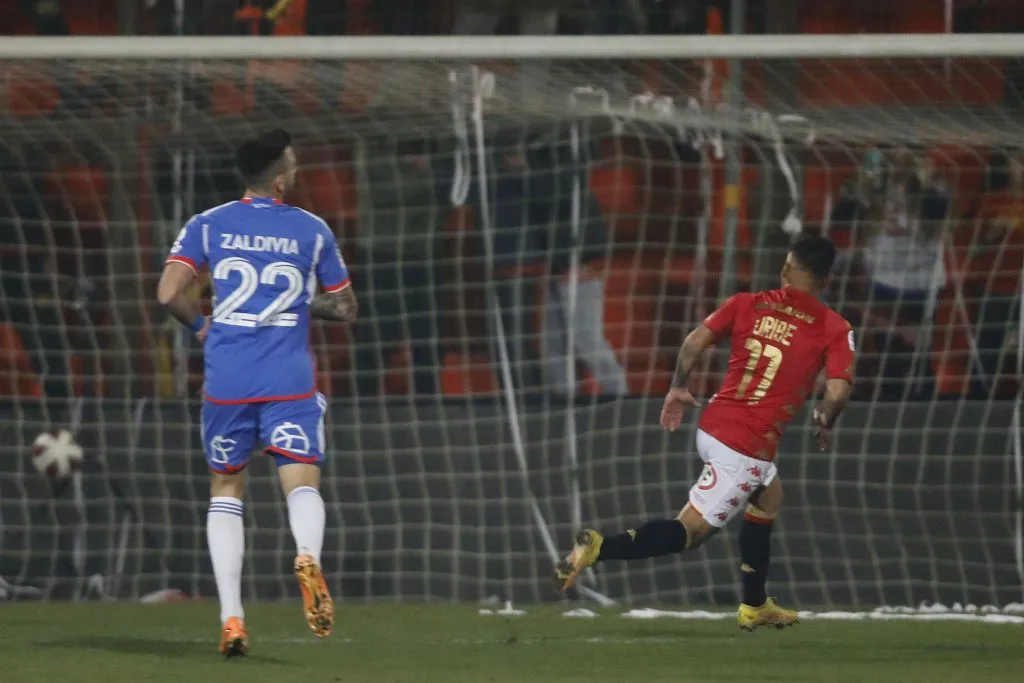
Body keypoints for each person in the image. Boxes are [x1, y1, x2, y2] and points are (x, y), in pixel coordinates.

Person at [553, 234, 855, 630]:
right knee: (691, 533)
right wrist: (825, 419)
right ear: (827, 280)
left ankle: (755, 604)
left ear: (785, 269)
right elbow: (837, 392)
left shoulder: (746, 303)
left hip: (714, 422)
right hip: (745, 446)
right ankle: (597, 548)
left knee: (769, 495)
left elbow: (696, 340)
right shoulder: (834, 327)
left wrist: (678, 386)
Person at [156, 129, 357, 657]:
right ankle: (307, 554)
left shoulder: (207, 223)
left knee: (226, 489)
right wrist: (297, 302)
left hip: (228, 378)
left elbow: (168, 293)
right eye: (293, 163)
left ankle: (232, 620)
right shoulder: (312, 230)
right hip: (289, 378)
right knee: (301, 478)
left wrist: (201, 326)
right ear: (281, 180)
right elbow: (346, 307)